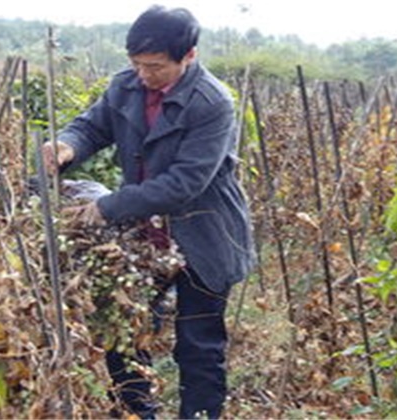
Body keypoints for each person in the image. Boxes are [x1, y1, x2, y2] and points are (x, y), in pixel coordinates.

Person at [42, 5, 256, 419]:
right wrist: (67, 145)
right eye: (137, 64)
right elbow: (91, 127)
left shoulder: (212, 103)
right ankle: (137, 414)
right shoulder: (126, 86)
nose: (144, 75)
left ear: (188, 56)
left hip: (204, 236)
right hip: (144, 235)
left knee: (198, 346)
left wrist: (106, 207)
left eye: (155, 67)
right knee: (125, 333)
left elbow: (184, 184)